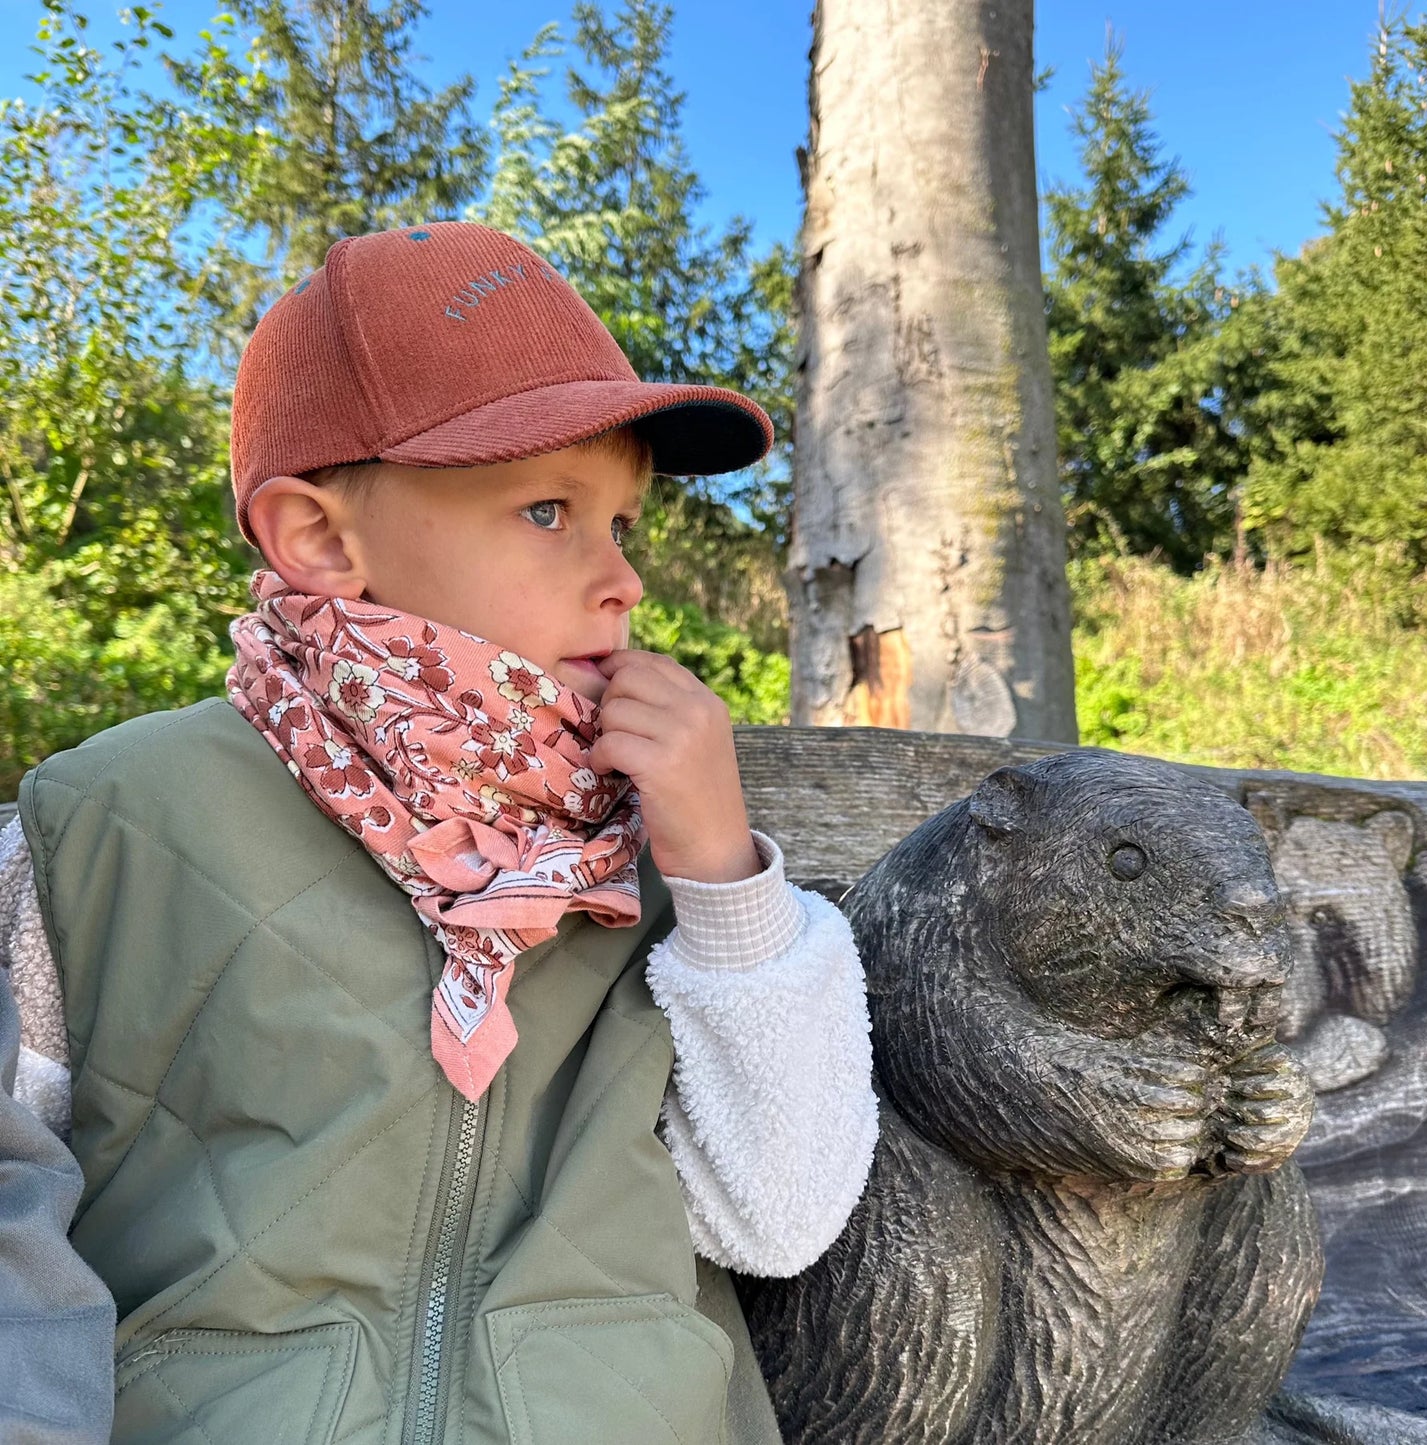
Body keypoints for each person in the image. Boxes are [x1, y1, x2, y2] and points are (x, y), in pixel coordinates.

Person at [0, 221, 877, 1444]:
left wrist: (725, 879)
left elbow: (775, 1215)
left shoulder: (650, 845)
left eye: (623, 522)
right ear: (320, 538)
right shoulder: (122, 819)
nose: (620, 577)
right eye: (545, 511)